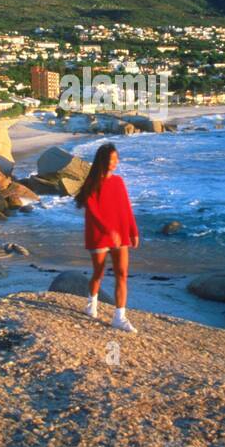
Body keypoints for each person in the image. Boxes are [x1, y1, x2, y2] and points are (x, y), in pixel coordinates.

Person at [74, 142, 139, 332]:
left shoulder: (118, 181)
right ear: (103, 160)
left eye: (117, 158)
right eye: (112, 159)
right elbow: (93, 211)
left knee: (122, 275)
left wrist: (134, 231)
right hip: (99, 235)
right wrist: (109, 230)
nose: (116, 162)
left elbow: (126, 208)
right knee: (99, 273)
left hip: (121, 234)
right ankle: (91, 304)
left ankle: (119, 317)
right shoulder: (92, 183)